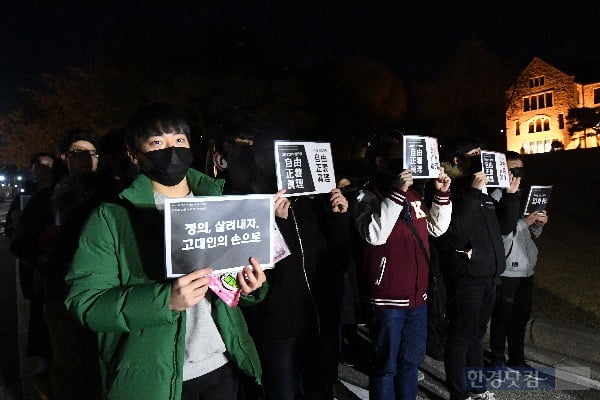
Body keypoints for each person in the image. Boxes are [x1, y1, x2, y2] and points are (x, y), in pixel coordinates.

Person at [64, 103, 268, 400]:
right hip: (153, 380)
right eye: (157, 142)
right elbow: (86, 302)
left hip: (223, 364)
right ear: (134, 154)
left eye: (179, 140)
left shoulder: (221, 205)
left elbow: (231, 283)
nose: (171, 150)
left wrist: (246, 286)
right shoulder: (111, 217)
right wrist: (166, 300)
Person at [237, 134, 351, 400]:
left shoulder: (312, 203)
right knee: (283, 392)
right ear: (260, 159)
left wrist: (338, 218)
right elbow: (260, 270)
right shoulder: (249, 202)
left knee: (320, 389)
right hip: (279, 327)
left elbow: (337, 261)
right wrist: (278, 223)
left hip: (318, 321)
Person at [350, 129, 452, 400]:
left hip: (417, 297)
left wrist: (442, 196)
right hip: (386, 299)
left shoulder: (414, 195)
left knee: (410, 363)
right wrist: (396, 193)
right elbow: (375, 234)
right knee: (385, 366)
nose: (406, 163)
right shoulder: (366, 196)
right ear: (381, 161)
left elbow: (436, 229)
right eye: (398, 156)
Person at [433, 136, 521, 400]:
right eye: (474, 153)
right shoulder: (455, 189)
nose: (481, 157)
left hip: (489, 276)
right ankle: (459, 394)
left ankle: (477, 387)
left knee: (476, 335)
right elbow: (455, 231)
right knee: (461, 337)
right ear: (458, 160)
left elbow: (503, 227)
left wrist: (510, 197)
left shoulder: (482, 193)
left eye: (483, 152)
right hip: (467, 277)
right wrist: (472, 192)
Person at [489, 151, 549, 369]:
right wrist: (525, 221)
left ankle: (517, 358)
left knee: (520, 318)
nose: (517, 174)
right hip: (507, 270)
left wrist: (537, 225)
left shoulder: (524, 195)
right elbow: (500, 234)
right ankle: (496, 357)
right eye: (512, 169)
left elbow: (528, 234)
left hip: (526, 268)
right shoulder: (496, 196)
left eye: (520, 169)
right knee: (502, 317)